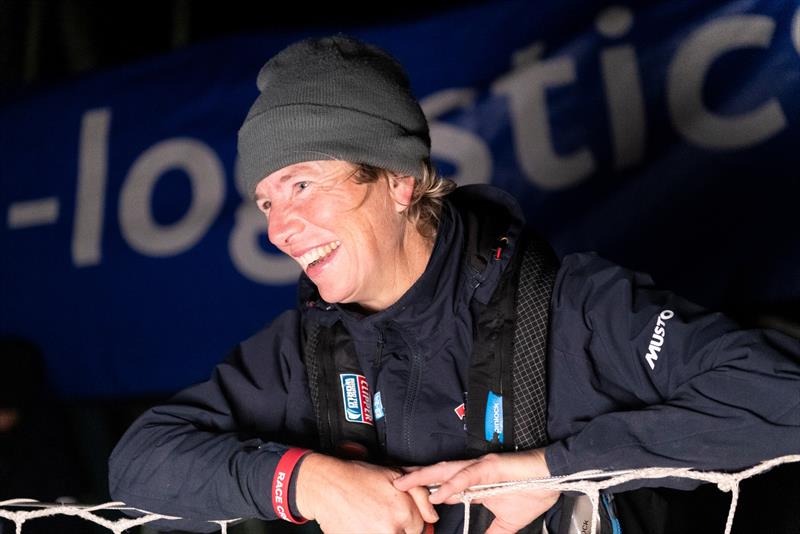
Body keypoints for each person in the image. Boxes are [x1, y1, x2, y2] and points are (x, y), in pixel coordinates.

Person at [108, 35, 800, 534]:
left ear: (400, 180)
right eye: (265, 201)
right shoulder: (304, 351)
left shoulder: (576, 308)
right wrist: (310, 483)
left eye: (302, 184)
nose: (280, 229)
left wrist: (555, 469)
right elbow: (140, 462)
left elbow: (783, 399)